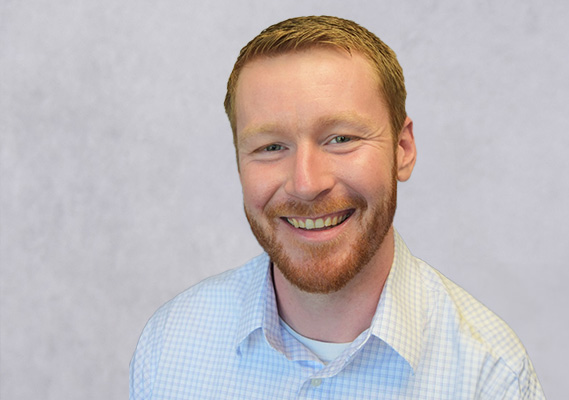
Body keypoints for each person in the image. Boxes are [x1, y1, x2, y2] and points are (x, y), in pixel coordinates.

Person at [130, 16, 545, 399]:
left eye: (341, 139)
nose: (306, 184)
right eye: (271, 147)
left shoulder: (491, 376)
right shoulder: (169, 346)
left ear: (402, 149)